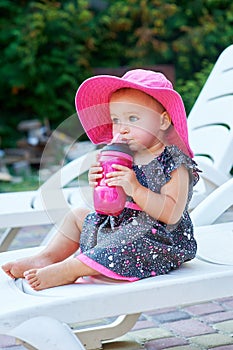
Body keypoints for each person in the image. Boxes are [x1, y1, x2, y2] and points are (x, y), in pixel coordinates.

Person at [2, 69, 200, 290]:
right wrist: (101, 184)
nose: (122, 128)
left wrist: (135, 187)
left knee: (126, 239)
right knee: (78, 215)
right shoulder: (124, 156)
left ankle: (72, 269)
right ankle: (47, 256)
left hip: (158, 241)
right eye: (116, 120)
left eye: (133, 118)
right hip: (122, 227)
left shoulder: (174, 163)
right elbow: (111, 209)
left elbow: (171, 214)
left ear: (163, 121)